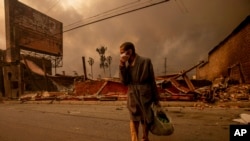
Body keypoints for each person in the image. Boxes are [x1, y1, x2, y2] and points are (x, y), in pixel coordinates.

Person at [119, 42, 160, 141]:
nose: (121, 55)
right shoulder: (127, 66)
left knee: (145, 119)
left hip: (145, 95)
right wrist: (122, 64)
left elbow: (152, 81)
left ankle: (145, 138)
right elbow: (124, 82)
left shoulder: (146, 61)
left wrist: (156, 99)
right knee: (133, 119)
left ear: (129, 51)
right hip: (133, 96)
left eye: (122, 52)